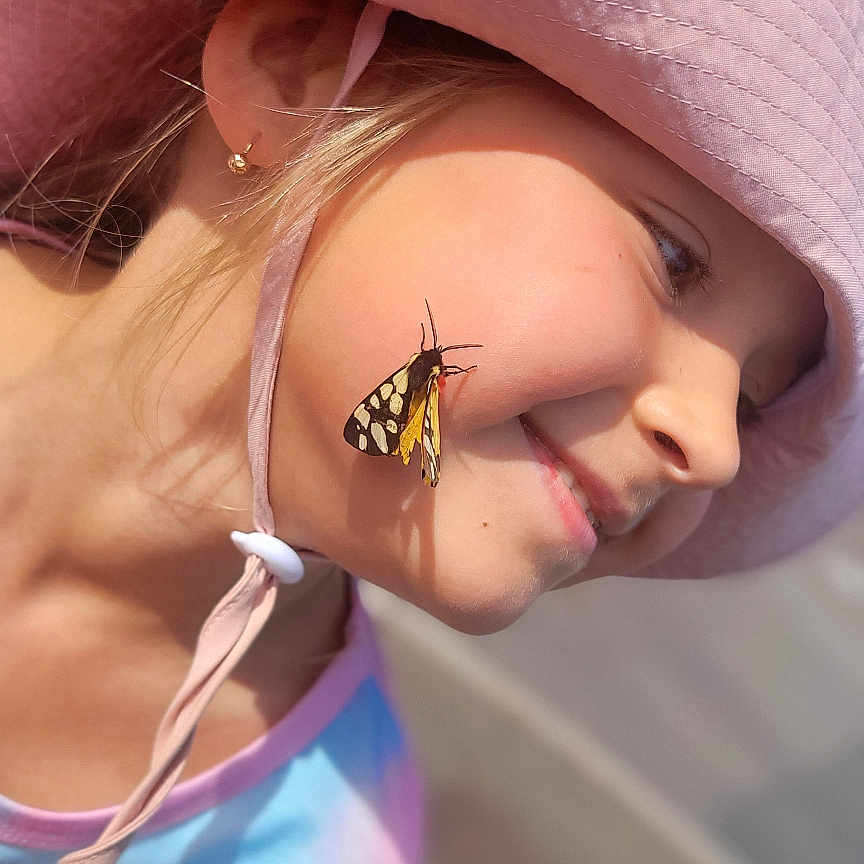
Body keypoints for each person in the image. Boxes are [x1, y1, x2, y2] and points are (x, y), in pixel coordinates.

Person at [0, 0, 861, 861]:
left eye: (750, 401)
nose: (716, 447)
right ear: (294, 75)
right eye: (672, 257)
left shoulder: (322, 839)